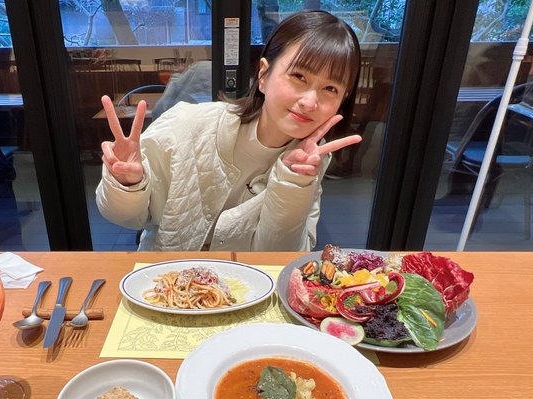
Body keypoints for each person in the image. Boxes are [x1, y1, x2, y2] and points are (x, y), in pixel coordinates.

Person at [96, 10, 362, 251]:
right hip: (165, 280)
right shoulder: (186, 124)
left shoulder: (311, 160)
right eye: (299, 76)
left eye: (330, 89)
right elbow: (127, 218)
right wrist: (127, 183)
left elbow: (280, 257)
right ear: (263, 75)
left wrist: (293, 183)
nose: (310, 102)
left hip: (247, 285)